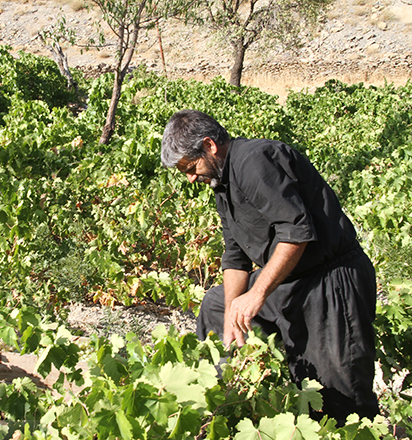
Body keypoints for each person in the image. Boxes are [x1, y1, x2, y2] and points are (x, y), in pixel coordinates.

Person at [160, 110, 379, 424]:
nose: (191, 178)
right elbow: (235, 257)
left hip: (331, 279)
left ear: (210, 145)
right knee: (218, 305)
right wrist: (233, 315)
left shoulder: (255, 160)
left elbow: (296, 233)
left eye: (191, 168)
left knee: (341, 399)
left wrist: (256, 294)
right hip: (291, 279)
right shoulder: (222, 184)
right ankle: (230, 398)